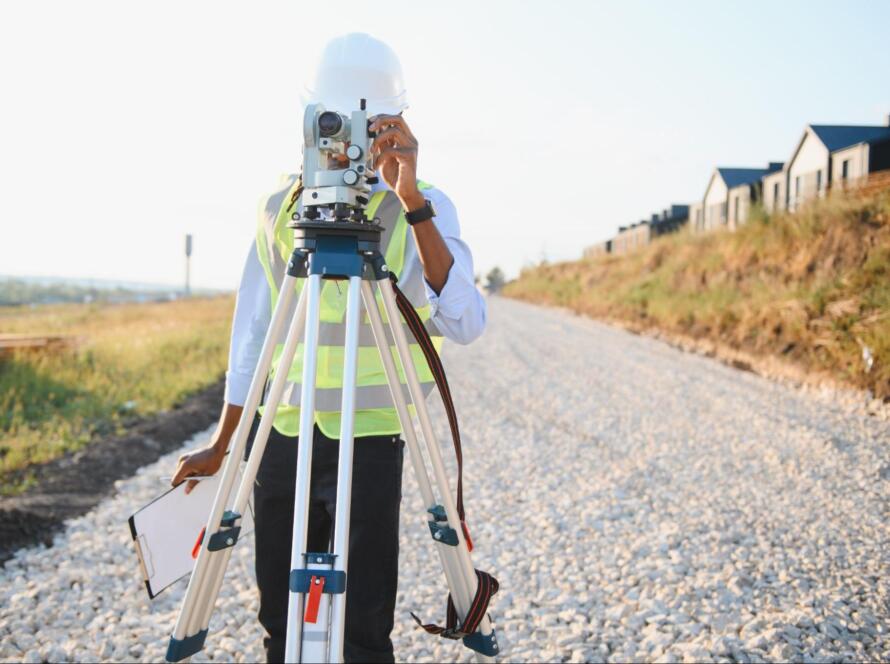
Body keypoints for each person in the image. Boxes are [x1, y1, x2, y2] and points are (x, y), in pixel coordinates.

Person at [171, 33, 486, 663]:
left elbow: (466, 322)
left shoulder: (422, 207)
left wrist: (411, 199)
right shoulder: (277, 210)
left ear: (394, 123)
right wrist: (224, 444)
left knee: (365, 628)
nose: (347, 138)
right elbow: (252, 340)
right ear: (310, 119)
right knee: (279, 621)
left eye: (366, 123)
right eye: (333, 121)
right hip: (283, 436)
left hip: (371, 438)